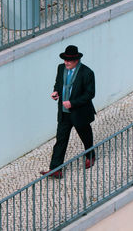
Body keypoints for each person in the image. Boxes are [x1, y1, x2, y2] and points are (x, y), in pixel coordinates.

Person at [40, 45, 96, 179]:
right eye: (65, 60)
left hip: (80, 112)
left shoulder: (87, 73)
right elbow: (58, 83)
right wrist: (56, 92)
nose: (66, 63)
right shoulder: (61, 68)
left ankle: (90, 155)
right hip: (64, 112)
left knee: (86, 136)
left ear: (76, 60)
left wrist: (73, 103)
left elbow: (90, 94)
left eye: (69, 61)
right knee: (61, 139)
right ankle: (56, 168)